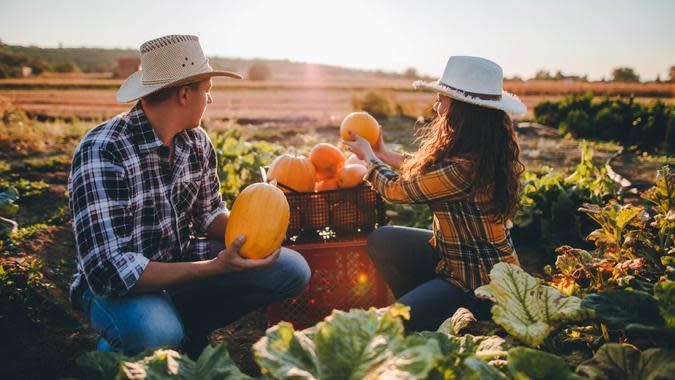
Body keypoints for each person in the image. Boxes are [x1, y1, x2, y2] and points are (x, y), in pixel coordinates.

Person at [68, 35, 311, 356]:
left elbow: (210, 214)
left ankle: (188, 332)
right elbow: (110, 272)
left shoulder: (196, 142)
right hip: (119, 287)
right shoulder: (104, 150)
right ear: (185, 93)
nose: (209, 101)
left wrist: (258, 233)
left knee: (291, 269)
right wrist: (216, 266)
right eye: (207, 91)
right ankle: (119, 351)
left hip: (178, 259)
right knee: (156, 332)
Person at [343, 56, 526, 331]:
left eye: (442, 99)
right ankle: (426, 308)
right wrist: (382, 154)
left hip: (479, 288)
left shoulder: (466, 170)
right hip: (456, 262)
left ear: (463, 111)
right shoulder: (479, 152)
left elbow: (397, 190)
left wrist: (370, 160)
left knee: (389, 326)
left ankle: (432, 317)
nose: (436, 106)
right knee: (385, 240)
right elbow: (431, 175)